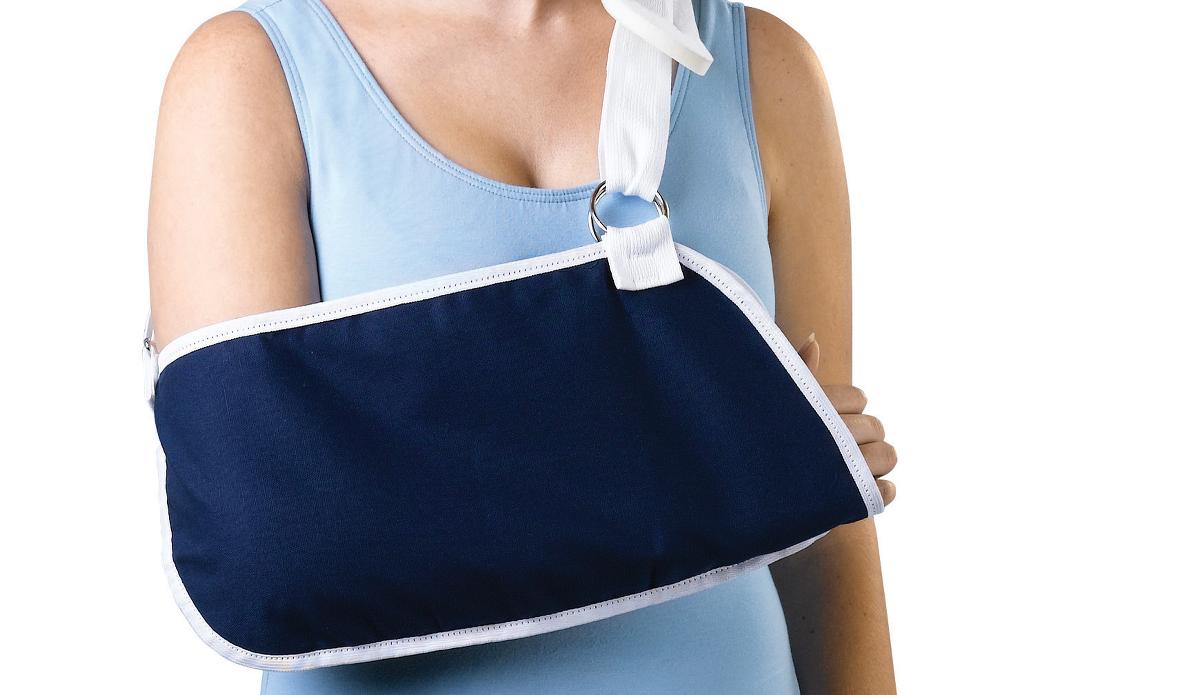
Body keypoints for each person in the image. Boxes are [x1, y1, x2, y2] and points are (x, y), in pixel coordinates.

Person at [146, 0, 899, 692]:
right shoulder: (249, 71)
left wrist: (764, 471)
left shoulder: (761, 64)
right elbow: (267, 551)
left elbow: (828, 522)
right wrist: (706, 470)